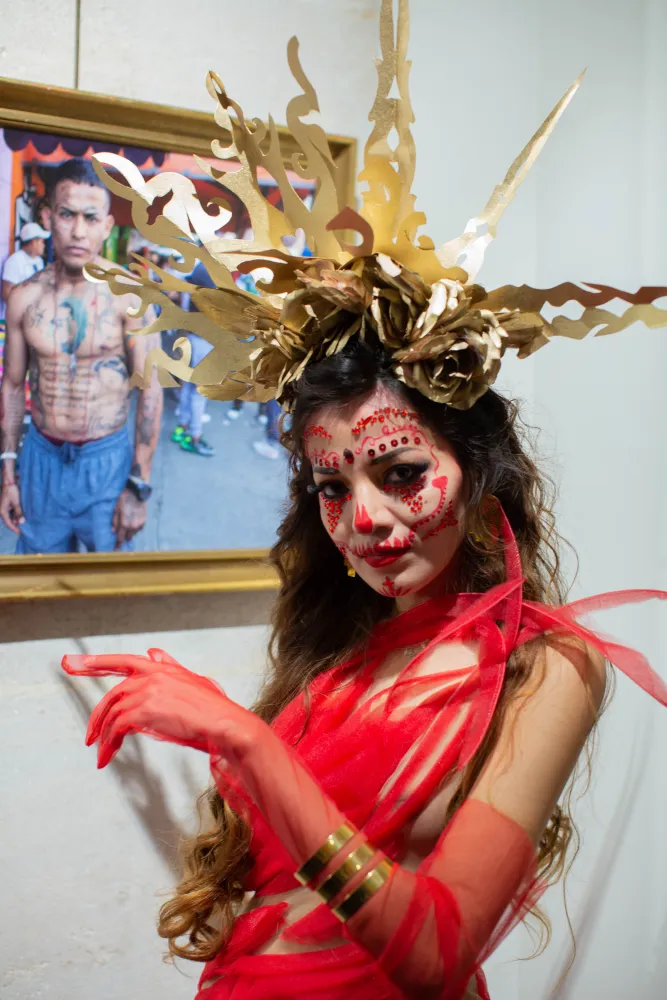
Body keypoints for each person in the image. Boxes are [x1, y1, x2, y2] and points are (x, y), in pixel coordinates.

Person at [61, 2, 667, 997]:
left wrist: (244, 738)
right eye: (330, 487)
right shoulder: (338, 652)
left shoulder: (546, 671)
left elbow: (437, 950)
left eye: (400, 472)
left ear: (478, 471)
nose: (366, 520)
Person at [0, 157, 162, 553]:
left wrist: (138, 486)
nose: (77, 231)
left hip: (106, 462)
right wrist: (8, 474)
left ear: (106, 225)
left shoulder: (130, 297)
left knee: (107, 581)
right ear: (48, 217)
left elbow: (151, 390)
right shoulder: (24, 299)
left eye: (90, 218)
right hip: (41, 459)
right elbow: (12, 386)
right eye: (66, 214)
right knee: (42, 578)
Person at [171, 259, 215, 457]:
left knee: (188, 389)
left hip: (190, 341)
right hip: (204, 346)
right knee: (199, 394)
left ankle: (181, 429)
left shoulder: (192, 289)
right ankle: (194, 437)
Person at [1, 221, 49, 302]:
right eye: (42, 242)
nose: (43, 245)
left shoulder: (39, 261)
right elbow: (6, 293)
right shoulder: (14, 261)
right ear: (34, 242)